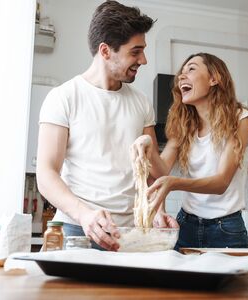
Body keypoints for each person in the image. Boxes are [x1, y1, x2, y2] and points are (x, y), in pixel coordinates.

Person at [36, 0, 177, 252]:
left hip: (131, 234)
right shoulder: (64, 97)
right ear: (105, 51)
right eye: (135, 51)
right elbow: (46, 175)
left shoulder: (141, 102)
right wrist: (85, 215)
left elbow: (157, 173)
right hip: (76, 230)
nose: (143, 60)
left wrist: (157, 211)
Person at [132, 53, 248, 250]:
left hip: (226, 228)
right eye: (181, 73)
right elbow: (162, 170)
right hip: (186, 225)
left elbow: (221, 182)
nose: (181, 77)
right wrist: (148, 146)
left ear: (214, 78)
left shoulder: (240, 119)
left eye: (191, 69)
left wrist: (174, 183)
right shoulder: (185, 124)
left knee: (232, 282)